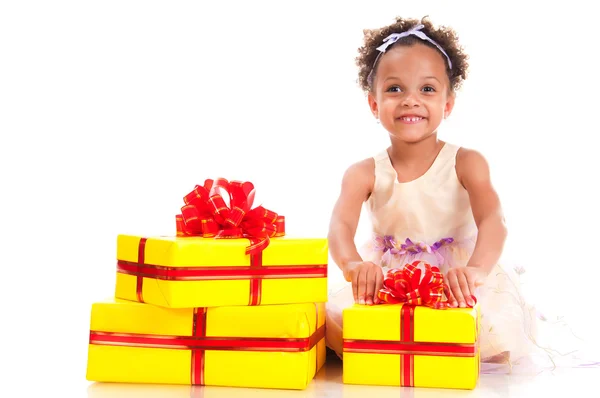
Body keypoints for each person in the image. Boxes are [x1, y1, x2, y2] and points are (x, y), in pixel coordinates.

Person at [324, 16, 597, 373]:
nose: (410, 101)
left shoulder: (467, 163)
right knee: (343, 333)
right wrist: (354, 265)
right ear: (374, 105)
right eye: (394, 89)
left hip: (455, 277)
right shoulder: (363, 172)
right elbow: (340, 225)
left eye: (427, 89)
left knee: (484, 336)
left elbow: (493, 221)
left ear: (448, 103)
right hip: (393, 279)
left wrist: (476, 271)